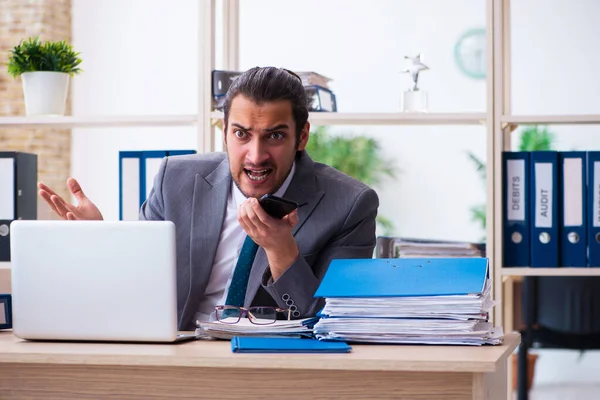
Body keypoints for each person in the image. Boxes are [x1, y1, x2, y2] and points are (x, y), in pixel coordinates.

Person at [38, 67, 380, 330]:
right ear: (224, 131)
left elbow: (334, 324)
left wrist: (281, 251)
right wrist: (99, 240)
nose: (255, 155)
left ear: (302, 136)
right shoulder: (176, 178)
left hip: (272, 369)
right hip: (177, 352)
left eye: (275, 136)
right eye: (241, 134)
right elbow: (137, 286)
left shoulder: (350, 204)